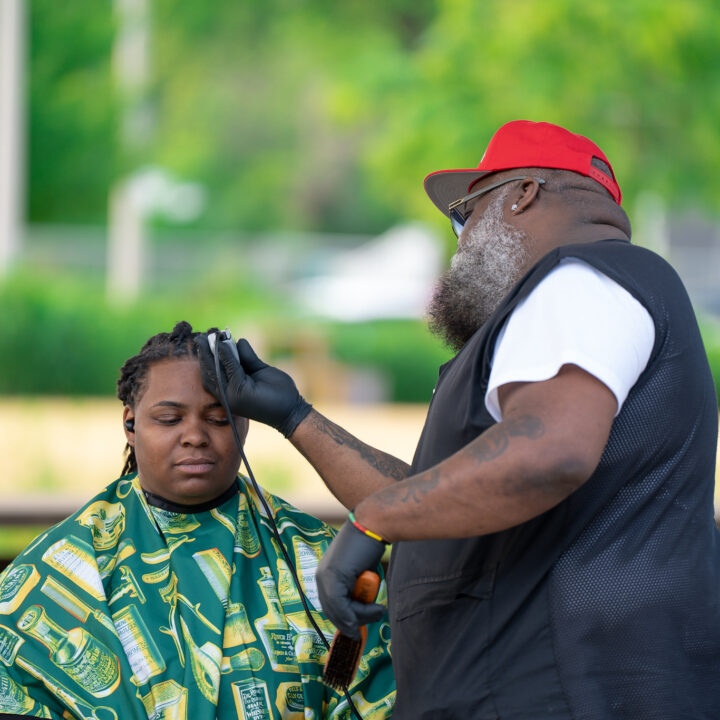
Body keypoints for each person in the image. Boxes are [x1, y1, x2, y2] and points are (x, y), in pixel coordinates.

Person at [197, 120, 720, 719]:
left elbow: (552, 450)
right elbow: (443, 502)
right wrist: (295, 417)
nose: (459, 242)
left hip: (565, 693)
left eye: (463, 216)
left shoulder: (579, 279)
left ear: (522, 194)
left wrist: (370, 524)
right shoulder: (589, 298)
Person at [0, 321, 395, 720]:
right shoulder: (55, 566)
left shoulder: (317, 554)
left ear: (246, 422)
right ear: (130, 424)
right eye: (170, 419)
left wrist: (295, 413)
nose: (195, 436)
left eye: (219, 418)